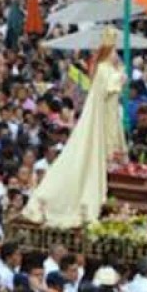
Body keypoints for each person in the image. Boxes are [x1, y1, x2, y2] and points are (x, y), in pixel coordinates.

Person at [22, 26, 127, 228]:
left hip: (109, 115)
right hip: (101, 115)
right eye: (113, 50)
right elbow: (108, 87)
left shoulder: (107, 68)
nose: (116, 54)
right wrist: (120, 75)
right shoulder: (104, 68)